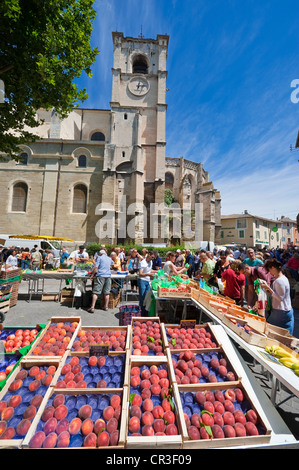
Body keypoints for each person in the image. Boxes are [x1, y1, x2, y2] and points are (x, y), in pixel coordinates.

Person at [259, 258, 294, 335]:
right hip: (286, 310)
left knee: (273, 333)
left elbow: (280, 298)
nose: (269, 272)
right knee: (286, 335)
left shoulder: (279, 281)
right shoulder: (283, 278)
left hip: (280, 311)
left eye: (269, 270)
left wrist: (268, 288)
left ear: (273, 268)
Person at [138, 251, 155, 316]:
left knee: (147, 297)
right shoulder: (142, 263)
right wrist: (148, 274)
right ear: (149, 255)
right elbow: (140, 274)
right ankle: (141, 313)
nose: (152, 259)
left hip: (148, 281)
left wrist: (156, 271)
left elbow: (149, 270)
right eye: (152, 257)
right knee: (142, 297)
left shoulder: (150, 262)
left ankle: (145, 312)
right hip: (142, 280)